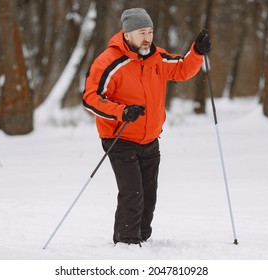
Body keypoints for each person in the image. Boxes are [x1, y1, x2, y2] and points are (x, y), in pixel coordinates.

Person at [83, 8, 211, 246]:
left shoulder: (157, 58)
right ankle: (127, 242)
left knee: (149, 195)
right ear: (127, 34)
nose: (147, 38)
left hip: (150, 139)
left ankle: (142, 237)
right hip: (119, 138)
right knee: (133, 192)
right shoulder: (109, 61)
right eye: (142, 32)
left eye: (150, 32)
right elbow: (90, 98)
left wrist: (197, 52)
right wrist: (122, 112)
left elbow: (182, 69)